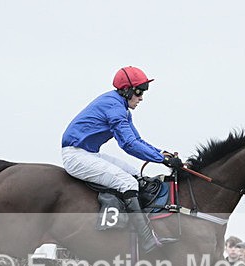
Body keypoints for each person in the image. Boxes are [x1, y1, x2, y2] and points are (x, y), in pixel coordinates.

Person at [61, 66, 183, 253]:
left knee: (135, 174)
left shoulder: (122, 108)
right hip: (76, 156)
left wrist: (163, 154)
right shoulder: (114, 107)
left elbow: (137, 140)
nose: (141, 97)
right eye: (139, 91)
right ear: (126, 90)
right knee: (128, 183)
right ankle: (147, 241)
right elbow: (128, 144)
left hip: (88, 153)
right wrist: (161, 160)